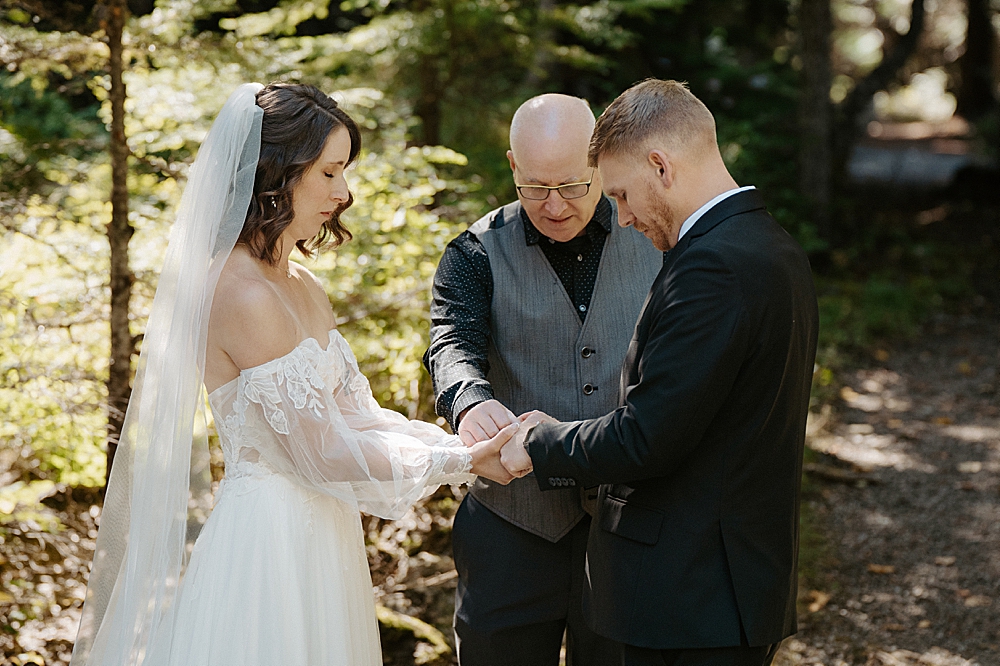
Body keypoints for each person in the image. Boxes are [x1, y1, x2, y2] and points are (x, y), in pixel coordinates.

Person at [70, 82, 517, 666]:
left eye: (344, 172)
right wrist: (460, 463)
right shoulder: (238, 292)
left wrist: (462, 440)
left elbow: (355, 417)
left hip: (324, 535)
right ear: (277, 173)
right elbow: (322, 450)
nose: (345, 192)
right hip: (268, 548)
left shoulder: (301, 284)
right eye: (329, 173)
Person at [498, 79, 820, 666]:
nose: (619, 218)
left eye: (620, 194)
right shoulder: (768, 244)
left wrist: (537, 443)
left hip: (694, 598)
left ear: (660, 166)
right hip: (724, 584)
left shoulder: (712, 269)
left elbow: (649, 436)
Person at [424, 94, 662, 665]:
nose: (553, 205)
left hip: (630, 524)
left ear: (599, 164)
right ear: (512, 167)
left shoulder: (658, 236)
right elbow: (450, 341)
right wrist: (467, 397)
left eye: (572, 186)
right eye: (534, 187)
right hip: (509, 528)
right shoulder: (473, 251)